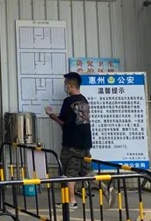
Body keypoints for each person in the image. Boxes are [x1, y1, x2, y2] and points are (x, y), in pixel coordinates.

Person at [46, 71, 114, 209]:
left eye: (65, 84)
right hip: (85, 143)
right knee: (86, 171)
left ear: (71, 86)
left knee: (68, 172)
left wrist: (51, 115)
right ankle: (105, 188)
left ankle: (71, 202)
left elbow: (63, 122)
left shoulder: (68, 101)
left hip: (72, 143)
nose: (65, 86)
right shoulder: (84, 100)